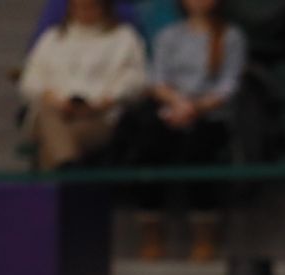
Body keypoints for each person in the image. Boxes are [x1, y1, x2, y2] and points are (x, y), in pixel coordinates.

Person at [110, 0, 245, 261]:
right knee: (150, 147)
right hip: (171, 112)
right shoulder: (170, 35)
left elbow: (229, 85)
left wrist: (196, 107)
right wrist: (177, 103)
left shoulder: (231, 36)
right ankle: (151, 231)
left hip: (211, 116)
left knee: (199, 150)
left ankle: (204, 234)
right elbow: (157, 80)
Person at [19, 0, 150, 171]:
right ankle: (68, 168)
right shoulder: (52, 38)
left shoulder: (124, 38)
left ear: (103, 8)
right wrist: (56, 100)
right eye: (79, 8)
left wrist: (103, 102)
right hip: (55, 110)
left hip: (99, 116)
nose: (84, 12)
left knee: (52, 143)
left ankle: (62, 174)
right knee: (47, 115)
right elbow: (30, 78)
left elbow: (135, 80)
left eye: (90, 7)